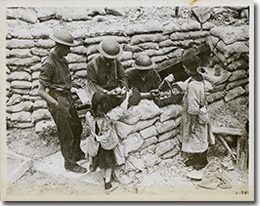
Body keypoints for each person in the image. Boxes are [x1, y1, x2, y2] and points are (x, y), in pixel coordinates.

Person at [38, 28, 87, 174]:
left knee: (77, 127)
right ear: (58, 46)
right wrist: (55, 104)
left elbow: (62, 81)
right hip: (57, 100)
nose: (69, 51)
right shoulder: (49, 63)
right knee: (66, 133)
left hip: (66, 97)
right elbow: (41, 91)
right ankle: (70, 163)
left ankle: (76, 153)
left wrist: (73, 86)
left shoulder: (63, 61)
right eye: (67, 47)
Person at [87, 91, 131, 190]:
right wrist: (127, 96)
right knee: (108, 164)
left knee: (101, 164)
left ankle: (103, 177)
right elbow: (122, 110)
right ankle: (107, 183)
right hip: (106, 144)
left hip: (96, 143)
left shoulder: (88, 115)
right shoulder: (108, 117)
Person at [181, 53, 209, 170]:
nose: (184, 70)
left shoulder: (193, 86)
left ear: (188, 68)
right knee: (198, 136)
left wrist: (192, 123)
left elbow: (193, 108)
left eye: (185, 68)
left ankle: (202, 161)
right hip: (201, 112)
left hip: (196, 115)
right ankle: (196, 157)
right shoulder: (198, 78)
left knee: (197, 136)